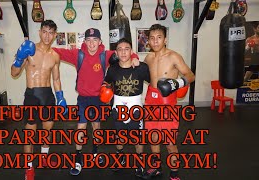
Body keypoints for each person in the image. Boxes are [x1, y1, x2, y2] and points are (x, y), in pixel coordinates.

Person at [52, 28, 139, 175]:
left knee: (96, 127)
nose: (92, 43)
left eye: (95, 40)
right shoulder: (78, 54)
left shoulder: (105, 55)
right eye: (89, 40)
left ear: (100, 41)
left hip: (98, 99)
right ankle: (78, 158)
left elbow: (124, 52)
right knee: (81, 127)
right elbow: (57, 52)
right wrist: (38, 49)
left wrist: (135, 57)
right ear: (84, 41)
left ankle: (95, 152)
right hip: (83, 99)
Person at [11, 20, 67, 180]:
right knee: (29, 134)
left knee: (46, 131)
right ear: (40, 32)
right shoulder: (29, 50)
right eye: (44, 31)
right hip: (31, 96)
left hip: (48, 96)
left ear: (55, 35)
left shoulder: (55, 56)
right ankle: (29, 168)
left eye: (51, 32)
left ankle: (43, 156)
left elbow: (56, 79)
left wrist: (61, 97)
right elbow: (14, 73)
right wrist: (19, 58)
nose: (47, 35)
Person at [143, 24, 195, 180]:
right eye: (152, 38)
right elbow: (146, 76)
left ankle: (174, 173)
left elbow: (190, 75)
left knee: (169, 141)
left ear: (165, 39)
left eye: (159, 37)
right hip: (151, 99)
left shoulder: (174, 56)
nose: (155, 41)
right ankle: (157, 166)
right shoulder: (148, 58)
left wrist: (177, 83)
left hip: (167, 102)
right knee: (153, 136)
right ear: (148, 41)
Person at [102, 38, 150, 178]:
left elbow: (153, 82)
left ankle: (139, 162)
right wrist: (105, 90)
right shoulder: (112, 69)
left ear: (131, 51)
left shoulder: (141, 68)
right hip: (118, 107)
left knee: (138, 138)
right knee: (119, 136)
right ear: (116, 52)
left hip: (136, 108)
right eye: (120, 49)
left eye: (126, 48)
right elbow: (106, 82)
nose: (123, 52)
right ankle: (120, 157)